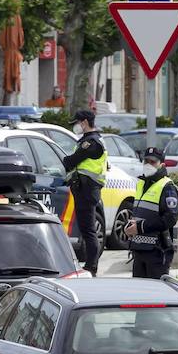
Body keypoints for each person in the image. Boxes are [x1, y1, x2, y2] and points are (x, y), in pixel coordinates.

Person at [61, 109, 106, 276]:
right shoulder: (92, 140)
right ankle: (89, 264)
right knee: (86, 229)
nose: (76, 126)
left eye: (77, 123)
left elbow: (71, 160)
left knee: (88, 230)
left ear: (85, 122)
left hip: (88, 190)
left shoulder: (92, 143)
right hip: (86, 189)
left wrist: (67, 161)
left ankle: (91, 266)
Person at [124, 147, 178, 279]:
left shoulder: (167, 187)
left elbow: (170, 218)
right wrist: (130, 226)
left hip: (157, 251)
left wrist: (139, 227)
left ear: (162, 164)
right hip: (139, 249)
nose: (148, 165)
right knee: (139, 295)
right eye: (146, 161)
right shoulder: (141, 184)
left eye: (153, 162)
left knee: (156, 294)